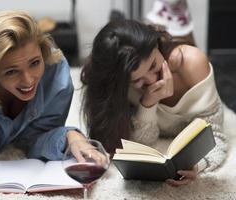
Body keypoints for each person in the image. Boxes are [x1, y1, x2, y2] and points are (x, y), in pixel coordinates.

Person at [0, 10, 99, 195]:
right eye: (11, 71)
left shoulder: (56, 76)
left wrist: (71, 137)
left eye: (35, 63)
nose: (28, 80)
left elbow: (39, 137)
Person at [80, 19, 228, 186]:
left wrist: (199, 164)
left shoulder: (191, 63)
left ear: (157, 44)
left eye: (153, 65)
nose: (152, 80)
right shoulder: (121, 86)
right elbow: (141, 146)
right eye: (138, 80)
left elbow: (216, 137)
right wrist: (148, 105)